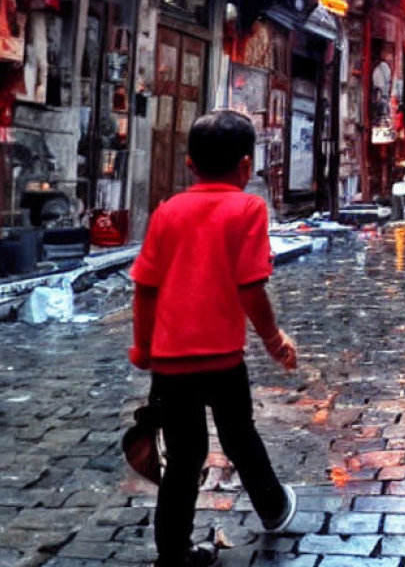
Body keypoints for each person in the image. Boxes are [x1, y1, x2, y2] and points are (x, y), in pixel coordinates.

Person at [129, 110, 298, 567]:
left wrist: (142, 346)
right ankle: (273, 507)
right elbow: (250, 286)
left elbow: (145, 287)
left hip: (170, 362)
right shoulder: (248, 209)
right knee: (240, 434)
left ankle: (173, 551)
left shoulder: (167, 212)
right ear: (246, 166)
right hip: (222, 360)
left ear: (190, 163)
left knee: (183, 456)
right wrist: (273, 338)